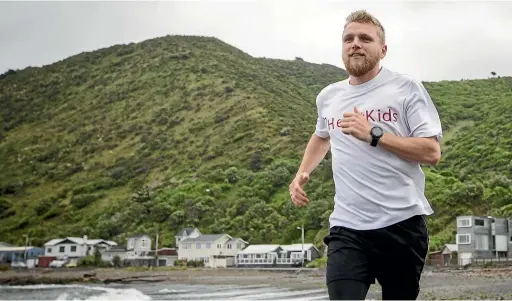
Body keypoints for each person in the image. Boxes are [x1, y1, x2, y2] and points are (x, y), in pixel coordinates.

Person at [288, 9, 443, 301]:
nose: (355, 43)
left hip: (402, 224)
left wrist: (375, 135)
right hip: (348, 227)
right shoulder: (328, 97)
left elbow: (431, 152)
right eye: (349, 38)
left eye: (364, 38)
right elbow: (322, 135)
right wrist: (301, 173)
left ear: (382, 49)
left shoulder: (405, 88)